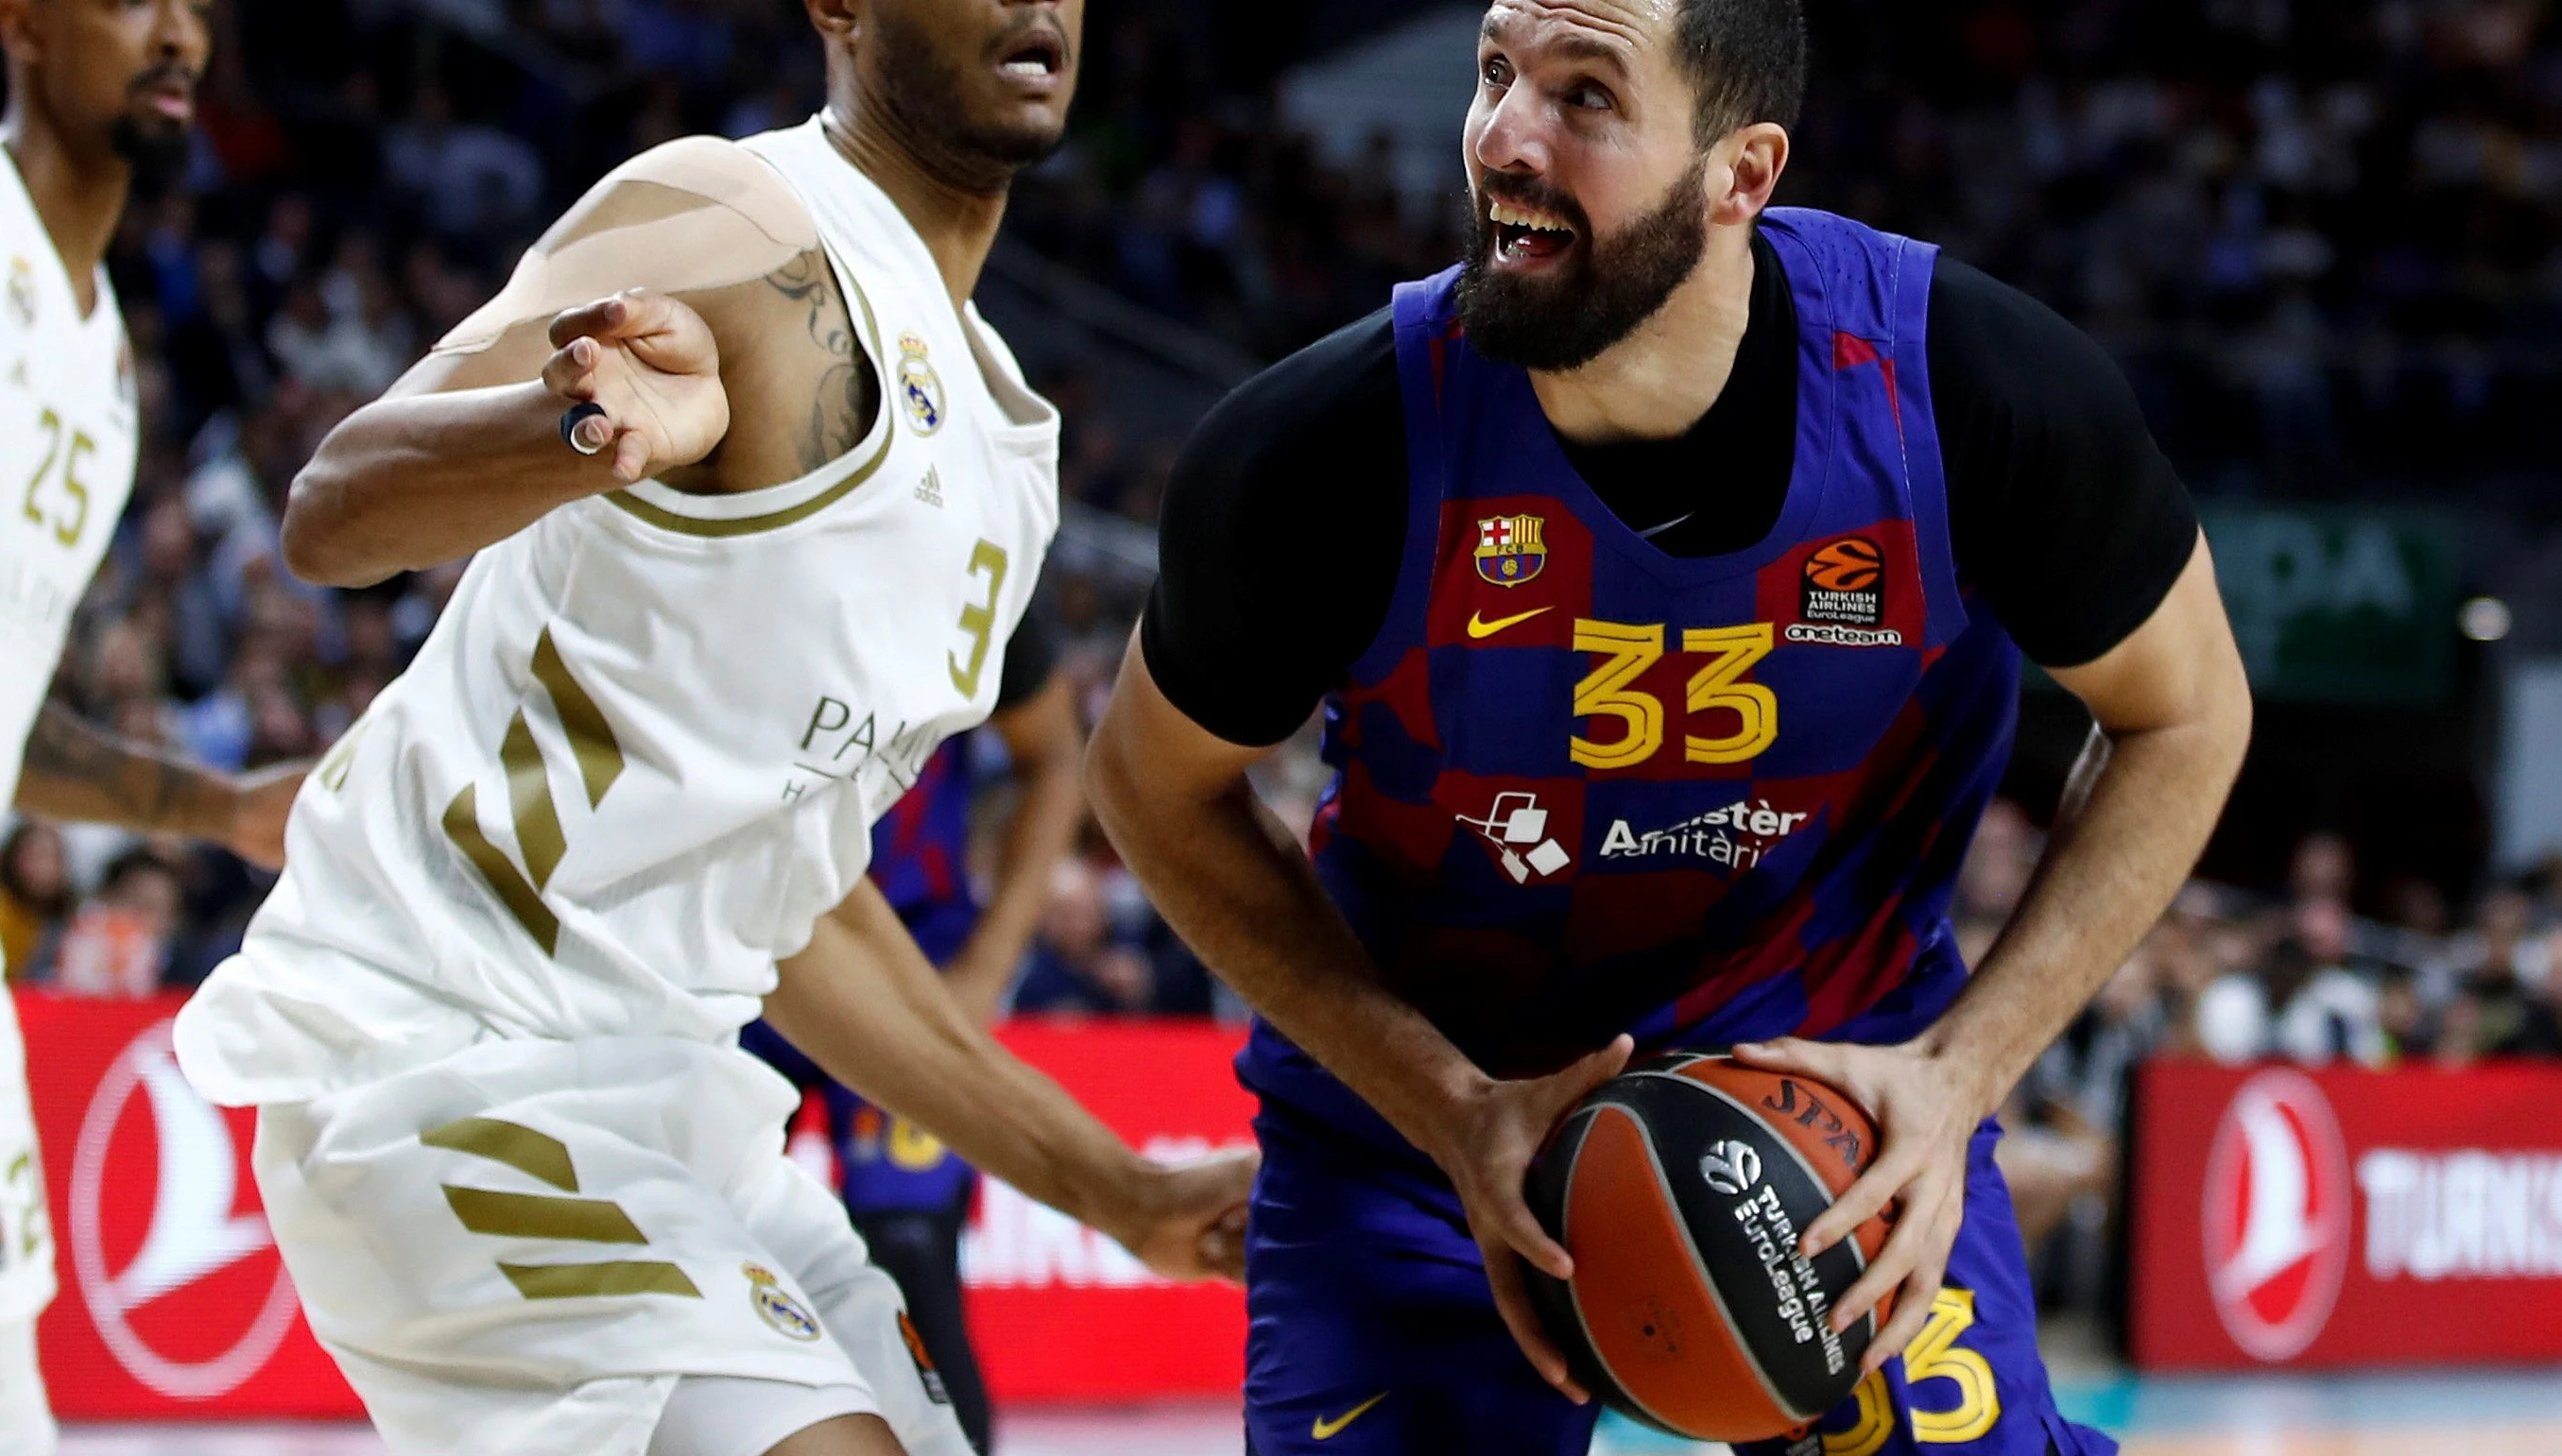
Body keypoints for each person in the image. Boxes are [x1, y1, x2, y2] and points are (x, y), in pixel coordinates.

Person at [1085, 2, 2252, 1452]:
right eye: (1496, 73)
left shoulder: (1966, 391)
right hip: (1428, 1129)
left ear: (1739, 173)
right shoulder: (1324, 447)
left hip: (1831, 1109)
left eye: (1584, 96)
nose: (1505, 138)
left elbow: (2186, 713)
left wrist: (1963, 1074)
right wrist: (1448, 1107)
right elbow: (1151, 784)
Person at [169, 5, 1252, 1456]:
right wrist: (573, 432)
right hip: (445, 1060)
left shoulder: (1007, 445)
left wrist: (1120, 1191)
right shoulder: (732, 221)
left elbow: (794, 909)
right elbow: (335, 508)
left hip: (690, 1115)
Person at [0, 4, 306, 1450]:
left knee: (1, 1384)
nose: (179, 35)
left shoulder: (107, 370)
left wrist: (219, 807)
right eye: (134, 1)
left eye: (199, 12)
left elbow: (3, 720)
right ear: (24, 22)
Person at [742, 604, 1083, 1456]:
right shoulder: (748, 537)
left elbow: (1054, 761)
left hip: (908, 958)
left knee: (912, 1260)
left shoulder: (977, 564)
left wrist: (986, 965)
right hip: (744, 955)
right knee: (699, 1256)